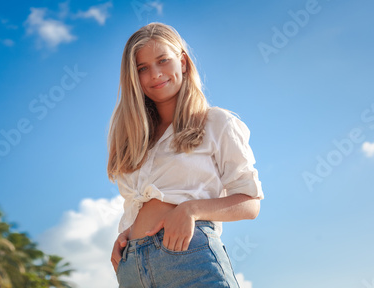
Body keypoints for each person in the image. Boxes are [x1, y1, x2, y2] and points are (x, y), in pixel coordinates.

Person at [107, 22, 264, 288]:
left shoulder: (217, 122)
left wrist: (191, 209)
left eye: (162, 61)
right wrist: (129, 235)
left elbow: (251, 203)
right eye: (142, 68)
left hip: (189, 260)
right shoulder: (134, 138)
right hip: (132, 268)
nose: (155, 74)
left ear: (182, 61)